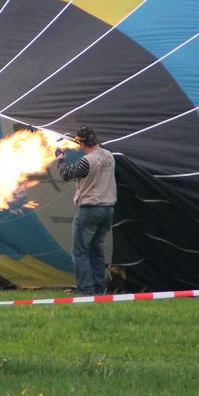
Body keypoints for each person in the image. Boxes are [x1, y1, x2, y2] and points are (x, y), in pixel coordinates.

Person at [56, 126, 117, 296]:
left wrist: (60, 158)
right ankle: (99, 289)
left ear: (82, 143)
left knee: (80, 251)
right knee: (97, 250)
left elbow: (66, 174)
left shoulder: (87, 161)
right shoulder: (109, 156)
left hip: (90, 210)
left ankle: (87, 291)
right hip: (108, 210)